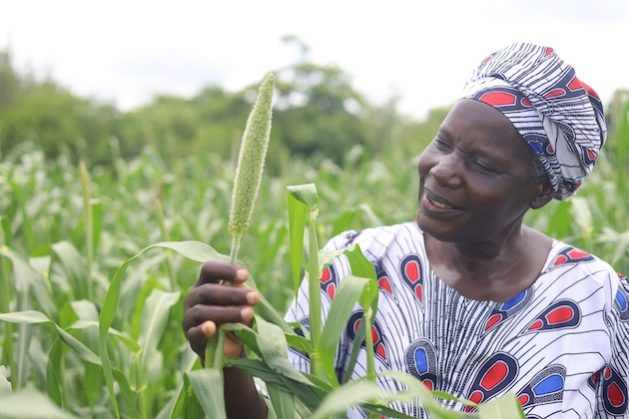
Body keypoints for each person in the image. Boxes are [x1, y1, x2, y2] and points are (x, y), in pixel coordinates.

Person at [182, 42, 629, 418]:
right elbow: (280, 411)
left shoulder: (596, 296)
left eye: (481, 164)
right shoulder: (352, 266)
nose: (442, 170)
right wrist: (228, 363)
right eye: (443, 143)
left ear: (540, 191)